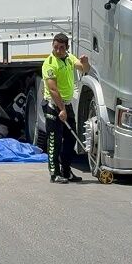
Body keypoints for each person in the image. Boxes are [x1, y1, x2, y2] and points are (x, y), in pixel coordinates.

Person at [42, 33, 90, 183]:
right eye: (55, 47)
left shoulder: (69, 58)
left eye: (61, 47)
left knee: (70, 139)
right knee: (54, 141)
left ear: (67, 47)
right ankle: (54, 173)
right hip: (54, 106)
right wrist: (61, 109)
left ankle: (66, 171)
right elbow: (53, 89)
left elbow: (83, 69)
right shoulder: (50, 63)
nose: (58, 50)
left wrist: (85, 62)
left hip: (67, 105)